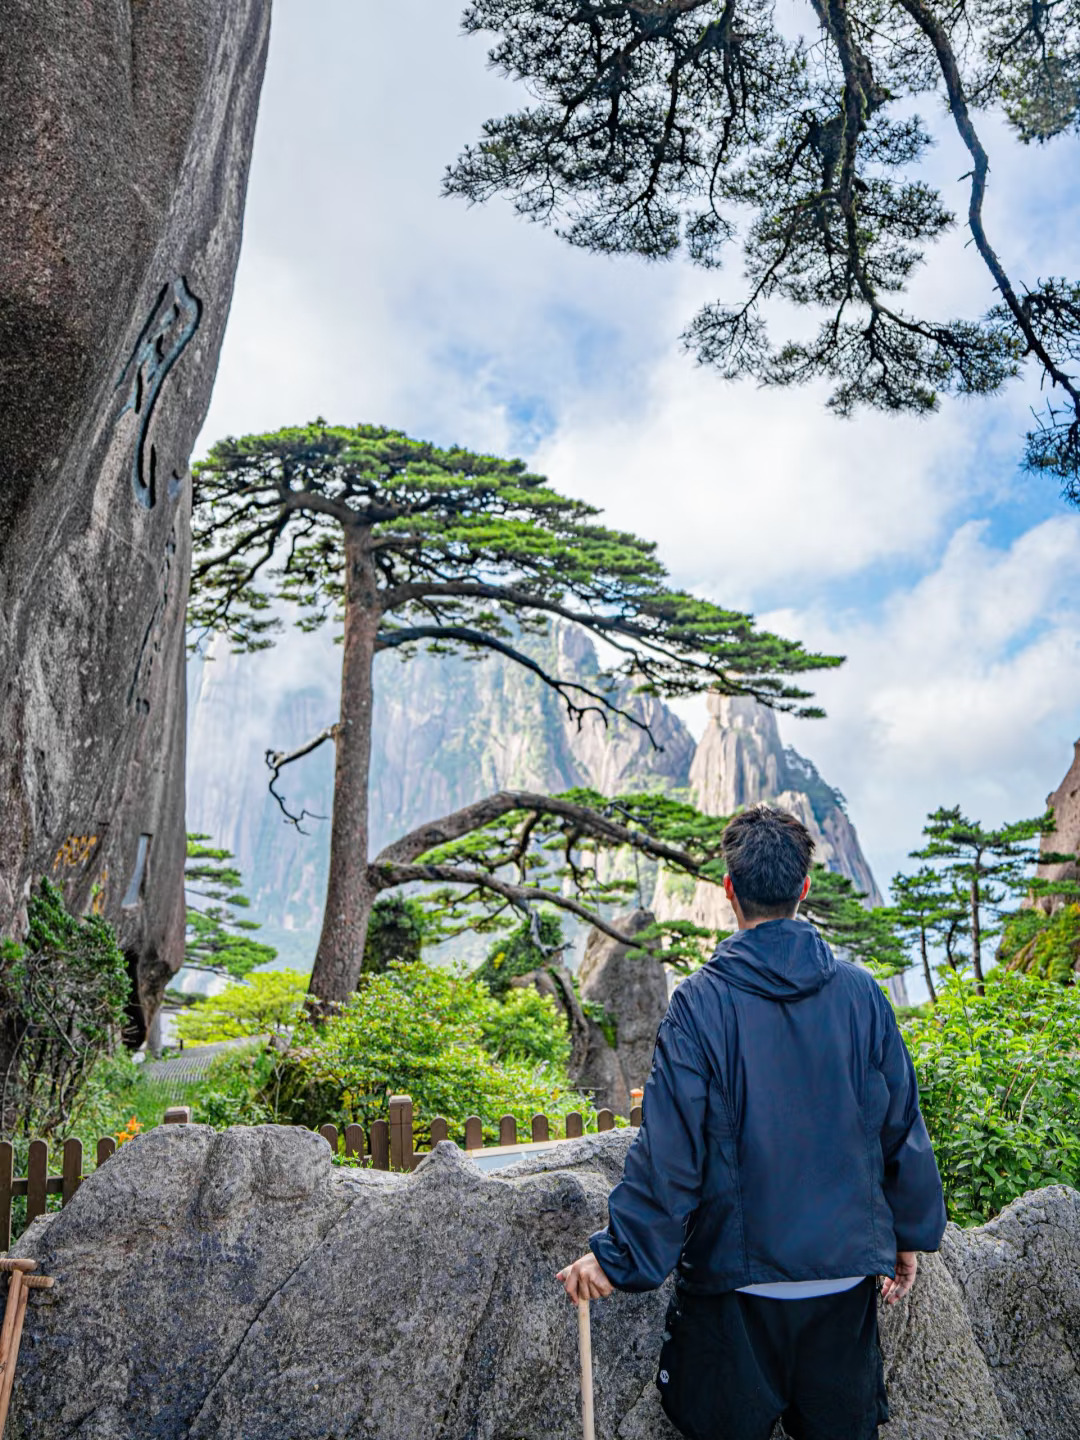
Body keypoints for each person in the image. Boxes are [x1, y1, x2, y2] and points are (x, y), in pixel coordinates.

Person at [556, 804, 946, 1440]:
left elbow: (670, 1153)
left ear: (728, 889)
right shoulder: (862, 996)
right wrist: (909, 1234)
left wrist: (618, 1258)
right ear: (805, 888)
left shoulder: (699, 1004)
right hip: (845, 1289)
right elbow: (901, 1125)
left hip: (735, 1295)